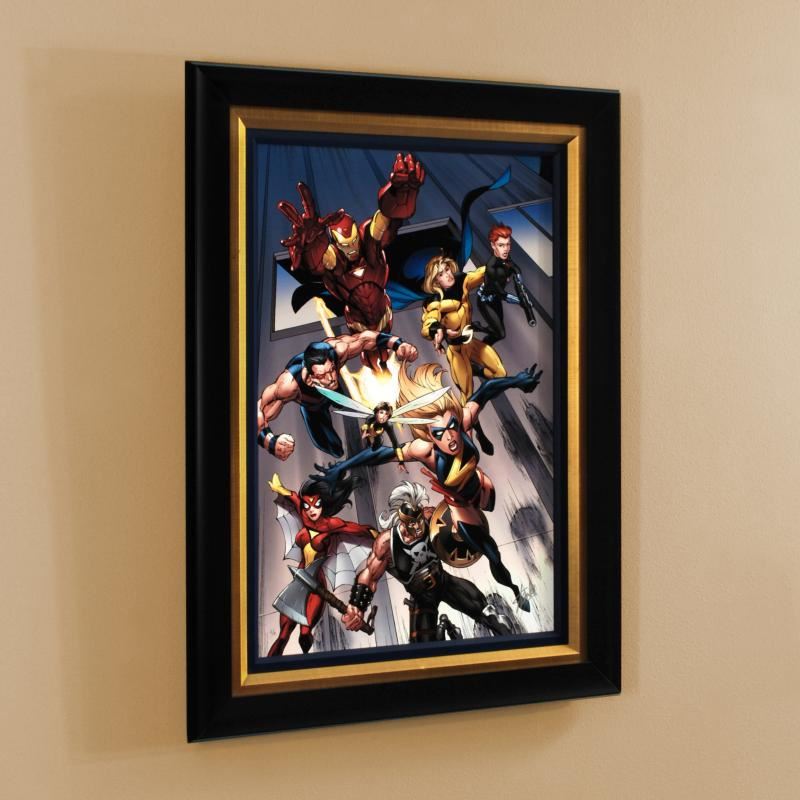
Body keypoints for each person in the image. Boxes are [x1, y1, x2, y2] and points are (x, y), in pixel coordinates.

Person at [314, 362, 543, 610]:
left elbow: (486, 389)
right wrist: (342, 467)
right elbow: (378, 454)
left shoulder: (464, 420)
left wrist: (517, 380)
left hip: (482, 486)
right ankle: (516, 591)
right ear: (428, 435)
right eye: (439, 433)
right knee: (491, 552)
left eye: (452, 427)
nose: (450, 437)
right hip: (460, 505)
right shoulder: (424, 451)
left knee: (489, 532)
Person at [277, 154, 425, 370]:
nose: (352, 248)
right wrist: (310, 245)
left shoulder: (370, 243)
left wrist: (400, 193)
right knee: (371, 355)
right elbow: (316, 264)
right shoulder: (333, 259)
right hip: (358, 323)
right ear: (335, 243)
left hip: (383, 312)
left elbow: (387, 217)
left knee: (384, 354)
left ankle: (385, 363)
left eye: (354, 241)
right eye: (346, 245)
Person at [341, 481, 512, 641]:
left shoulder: (431, 518)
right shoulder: (387, 543)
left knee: (489, 615)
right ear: (402, 521)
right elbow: (369, 576)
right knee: (423, 647)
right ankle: (445, 628)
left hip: (445, 582)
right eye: (412, 523)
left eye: (419, 520)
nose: (417, 527)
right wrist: (357, 606)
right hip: (422, 598)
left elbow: (459, 523)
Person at [256, 330, 417, 460]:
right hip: (313, 406)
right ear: (310, 377)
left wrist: (398, 344)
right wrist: (270, 442)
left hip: (334, 392)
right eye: (322, 375)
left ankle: (337, 401)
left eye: (332, 369)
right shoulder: (288, 386)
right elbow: (257, 411)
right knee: (334, 448)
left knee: (342, 401)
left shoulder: (339, 350)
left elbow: (365, 339)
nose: (331, 378)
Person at [267, 472, 377, 656]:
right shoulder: (304, 516)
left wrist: (378, 536)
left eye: (316, 504)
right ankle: (269, 669)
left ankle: (306, 664)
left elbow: (357, 529)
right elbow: (295, 498)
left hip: (316, 587)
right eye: (307, 505)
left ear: (323, 503)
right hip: (298, 583)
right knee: (283, 635)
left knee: (304, 633)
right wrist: (280, 489)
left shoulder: (330, 524)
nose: (311, 510)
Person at [420, 254, 506, 453]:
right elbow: (428, 324)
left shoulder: (462, 281)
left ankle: (477, 371)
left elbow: (482, 272)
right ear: (435, 282)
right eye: (441, 274)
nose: (447, 275)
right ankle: (480, 434)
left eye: (447, 269)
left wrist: (499, 263)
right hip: (457, 351)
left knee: (500, 375)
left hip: (471, 344)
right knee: (467, 400)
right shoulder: (434, 302)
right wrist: (436, 329)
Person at [476, 224, 537, 345]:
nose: (505, 249)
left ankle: (483, 346)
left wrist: (518, 279)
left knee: (499, 333)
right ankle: (478, 328)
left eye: (508, 244)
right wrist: (521, 302)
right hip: (485, 301)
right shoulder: (491, 267)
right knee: (500, 333)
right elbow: (502, 294)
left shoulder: (506, 257)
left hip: (496, 300)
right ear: (493, 245)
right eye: (501, 245)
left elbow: (514, 268)